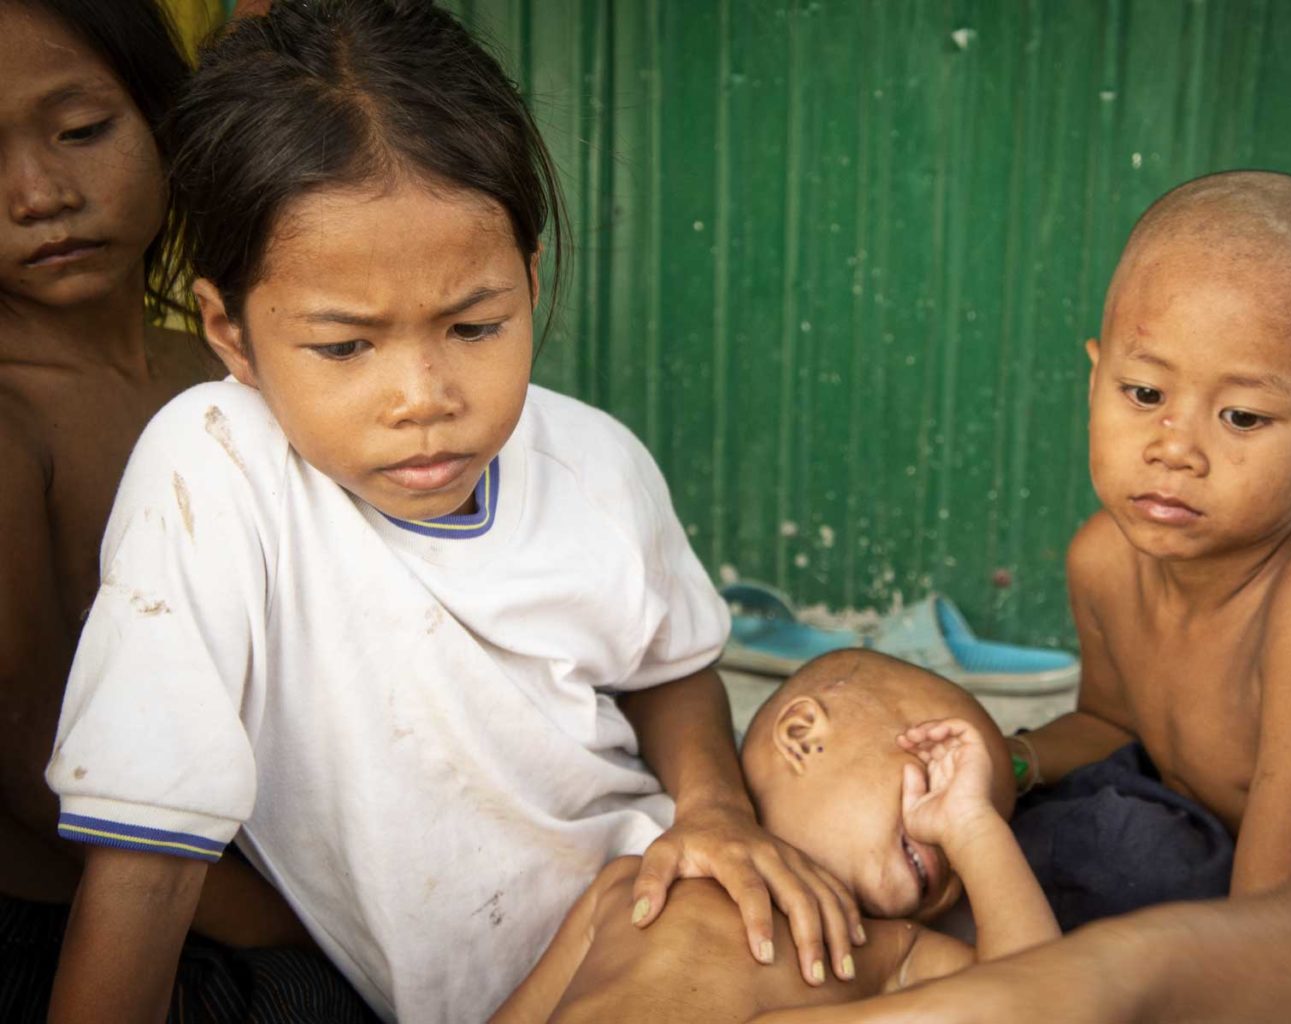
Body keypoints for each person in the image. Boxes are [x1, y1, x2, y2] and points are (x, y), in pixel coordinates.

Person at [43, 2, 857, 1021]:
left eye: (475, 325)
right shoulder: (213, 465)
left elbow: (672, 671)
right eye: (345, 347)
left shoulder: (595, 462)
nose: (423, 396)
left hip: (656, 916)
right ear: (231, 332)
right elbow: (147, 843)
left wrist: (717, 812)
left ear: (531, 277)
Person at [0, 2, 375, 1020]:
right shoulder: (12, 421)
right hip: (65, 917)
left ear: (169, 123)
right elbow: (35, 759)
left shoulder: (216, 373)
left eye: (82, 132)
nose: (37, 193)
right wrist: (286, 921)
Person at [1005, 170, 1291, 924]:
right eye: (1144, 394)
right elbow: (1110, 729)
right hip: (1198, 838)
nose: (1176, 449)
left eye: (1242, 417)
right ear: (1095, 380)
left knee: (1087, 883)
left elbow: (1272, 920)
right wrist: (1009, 765)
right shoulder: (1101, 557)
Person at [492, 649, 1060, 1023]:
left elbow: (1043, 1000)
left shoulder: (893, 951)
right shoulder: (639, 883)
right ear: (803, 737)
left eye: (967, 831)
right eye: (943, 779)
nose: (949, 826)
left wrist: (976, 832)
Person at [751, 757, 1291, 1024]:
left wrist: (972, 826)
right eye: (1145, 393)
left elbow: (1037, 984)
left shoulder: (889, 946)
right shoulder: (677, 858)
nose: (1175, 446)